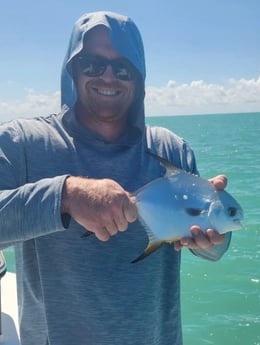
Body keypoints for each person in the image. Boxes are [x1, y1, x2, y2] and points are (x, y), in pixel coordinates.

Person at [0, 11, 231, 345]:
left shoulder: (172, 149)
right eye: (93, 64)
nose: (108, 77)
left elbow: (213, 250)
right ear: (72, 70)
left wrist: (215, 240)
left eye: (123, 67)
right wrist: (65, 195)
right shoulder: (22, 141)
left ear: (138, 77)